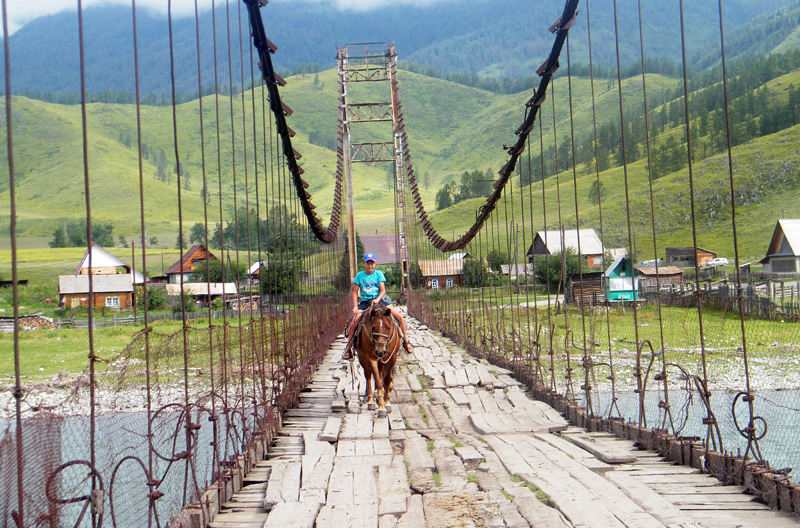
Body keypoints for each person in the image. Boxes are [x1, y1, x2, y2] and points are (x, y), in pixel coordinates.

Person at [342, 253, 413, 360]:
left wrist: (377, 299)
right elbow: (354, 292)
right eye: (368, 263)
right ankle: (348, 348)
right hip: (365, 302)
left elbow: (383, 290)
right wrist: (355, 306)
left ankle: (406, 341)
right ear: (364, 264)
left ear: (374, 263)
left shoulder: (378, 274)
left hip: (380, 300)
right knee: (355, 321)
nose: (370, 265)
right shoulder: (359, 276)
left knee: (399, 317)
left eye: (372, 263)